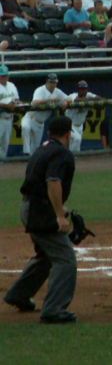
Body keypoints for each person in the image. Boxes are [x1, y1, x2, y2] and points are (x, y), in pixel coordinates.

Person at [3, 116, 77, 323]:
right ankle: (53, 309)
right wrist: (59, 215)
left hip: (29, 206)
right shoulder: (62, 153)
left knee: (46, 255)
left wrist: (60, 207)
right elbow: (53, 181)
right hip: (39, 210)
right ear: (68, 134)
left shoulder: (42, 148)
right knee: (65, 258)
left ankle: (18, 295)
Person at [22, 74, 69, 155]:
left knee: (35, 148)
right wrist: (49, 100)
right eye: (51, 82)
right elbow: (34, 103)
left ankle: (30, 160)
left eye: (54, 82)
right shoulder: (40, 90)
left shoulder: (57, 92)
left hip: (40, 123)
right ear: (47, 82)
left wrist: (66, 103)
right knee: (25, 127)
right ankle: (26, 150)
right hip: (30, 117)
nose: (53, 84)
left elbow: (69, 98)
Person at [65, 80, 100, 152]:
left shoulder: (89, 95)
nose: (83, 91)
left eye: (84, 89)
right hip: (69, 124)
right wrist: (90, 100)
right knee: (76, 139)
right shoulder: (72, 95)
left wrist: (90, 99)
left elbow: (101, 99)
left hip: (79, 126)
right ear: (78, 90)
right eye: (81, 89)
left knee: (76, 146)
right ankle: (71, 158)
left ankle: (74, 160)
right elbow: (77, 100)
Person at [0, 65, 21, 159]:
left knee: (5, 145)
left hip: (9, 118)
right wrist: (6, 105)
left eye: (5, 75)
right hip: (0, 118)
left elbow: (17, 99)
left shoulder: (11, 85)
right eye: (1, 76)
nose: (3, 78)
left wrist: (17, 104)